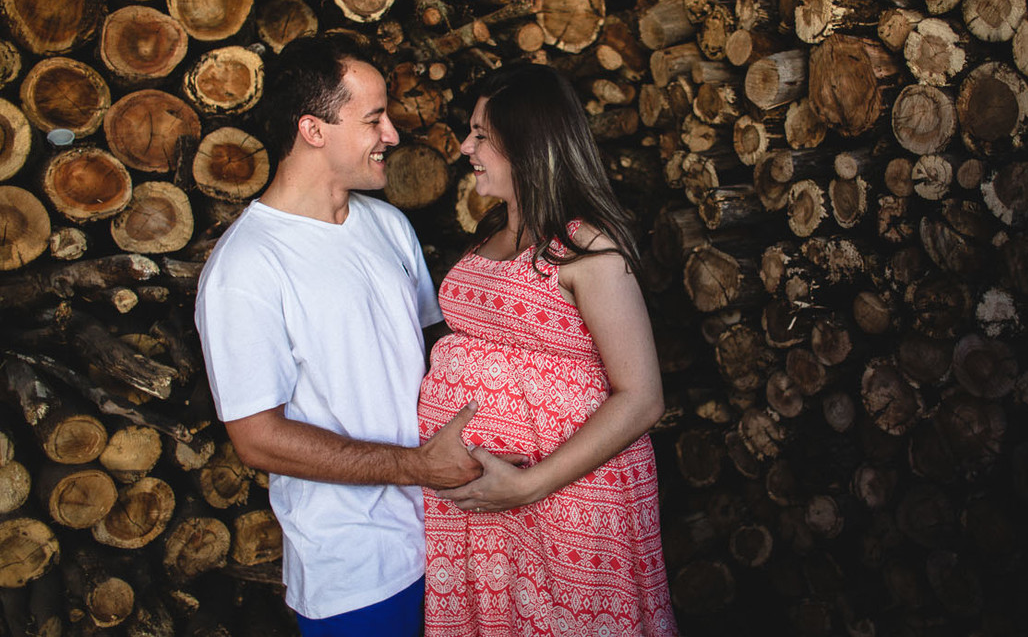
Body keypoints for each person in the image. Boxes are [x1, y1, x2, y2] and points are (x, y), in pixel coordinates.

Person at [194, 34, 482, 637]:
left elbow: (436, 356)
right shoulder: (247, 267)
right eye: (374, 119)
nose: (394, 136)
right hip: (358, 572)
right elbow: (258, 440)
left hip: (459, 536)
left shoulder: (388, 224)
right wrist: (416, 466)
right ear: (313, 130)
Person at [417, 63, 679, 636]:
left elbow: (641, 398)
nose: (466, 147)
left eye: (482, 134)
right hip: (483, 507)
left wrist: (531, 483)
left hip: (565, 495)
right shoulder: (492, 231)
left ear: (528, 142)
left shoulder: (588, 247)